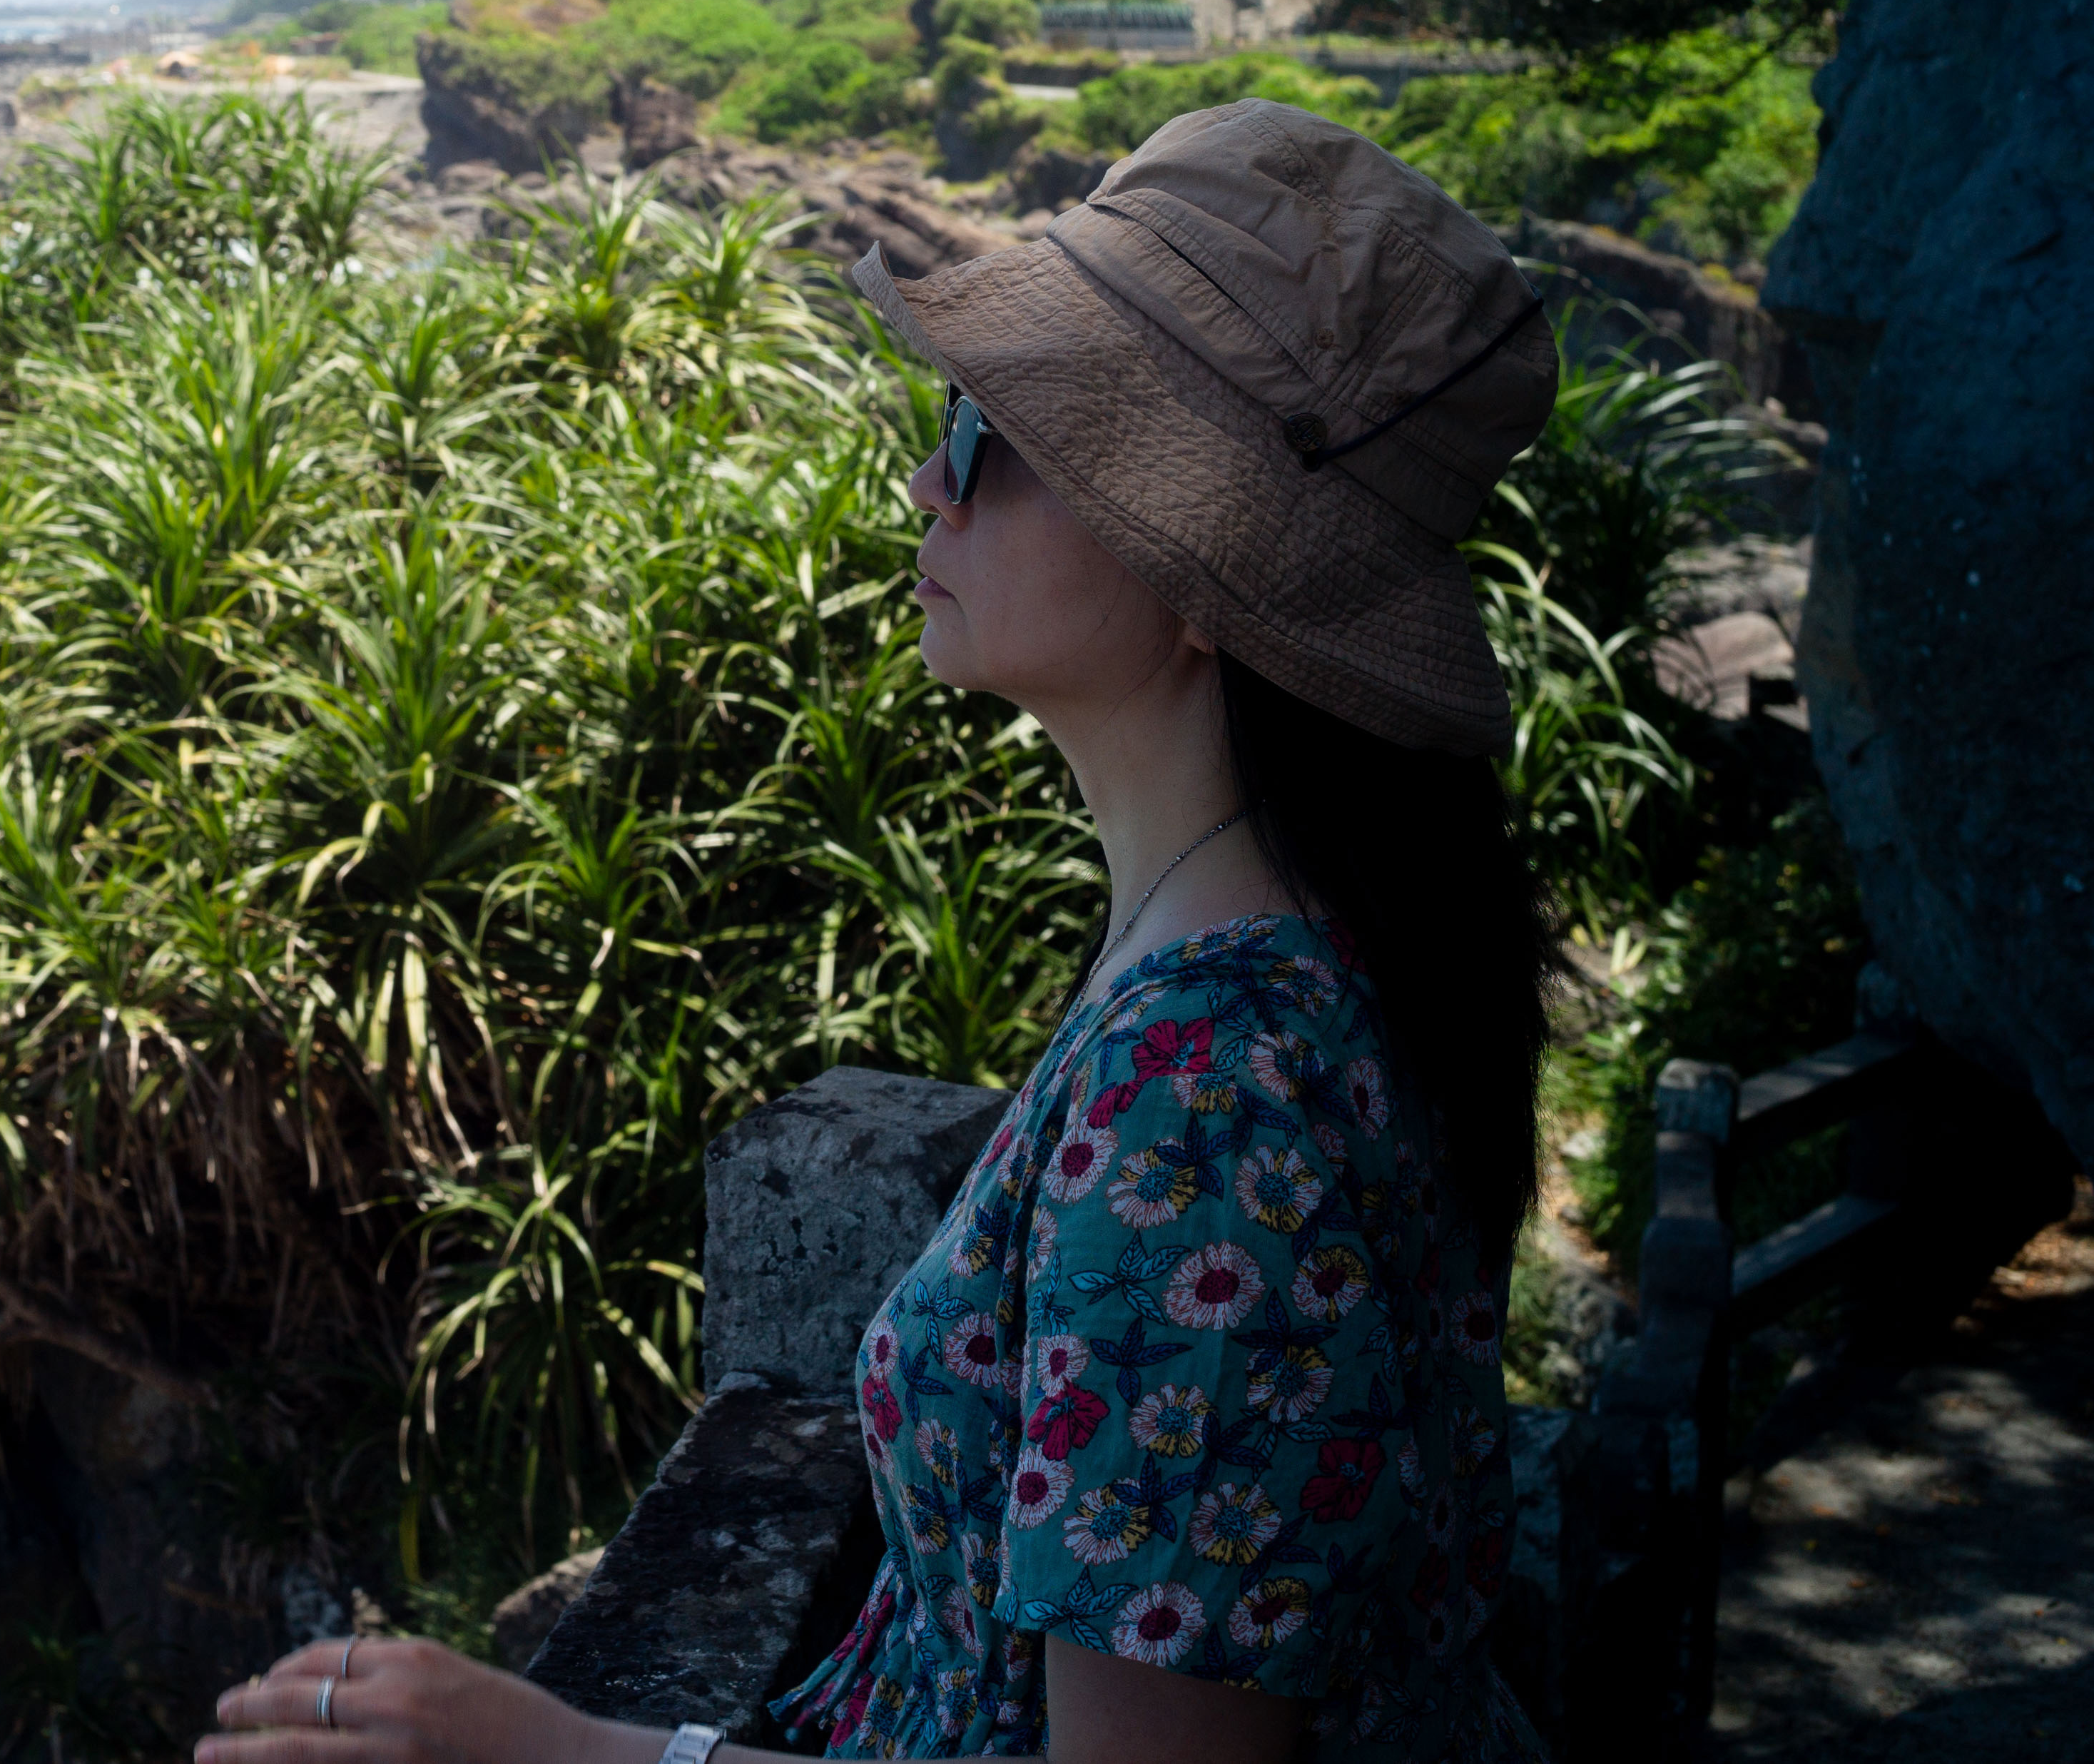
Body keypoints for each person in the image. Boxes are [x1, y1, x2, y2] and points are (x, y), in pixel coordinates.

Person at [198, 100, 1561, 1764]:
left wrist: (563, 1751)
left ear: (1201, 566)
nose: (926, 481)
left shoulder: (1209, 1088)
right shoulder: (1277, 942)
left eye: (990, 434)